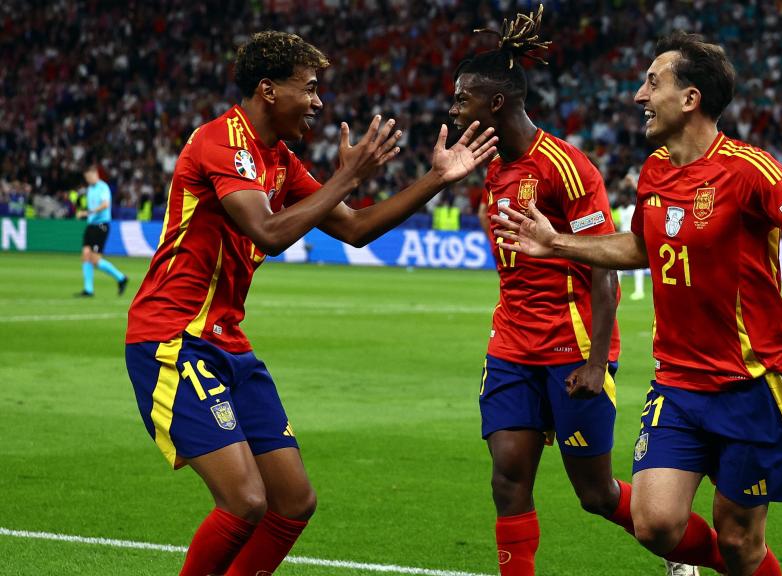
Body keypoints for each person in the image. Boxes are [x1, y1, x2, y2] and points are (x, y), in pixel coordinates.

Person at [491, 31, 782, 576]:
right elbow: (642, 245)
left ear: (690, 98)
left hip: (749, 384)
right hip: (677, 383)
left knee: (738, 544)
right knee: (655, 524)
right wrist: (556, 242)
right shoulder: (655, 169)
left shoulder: (753, 170)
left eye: (652, 83)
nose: (638, 96)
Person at [124, 31, 496, 576]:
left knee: (294, 502)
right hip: (171, 337)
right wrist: (347, 175)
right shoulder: (220, 142)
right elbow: (269, 233)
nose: (319, 102)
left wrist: (436, 178)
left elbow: (357, 228)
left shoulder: (279, 158)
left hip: (226, 339)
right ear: (269, 90)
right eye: (311, 88)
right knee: (245, 501)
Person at [448, 7, 697, 576]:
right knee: (508, 477)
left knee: (596, 493)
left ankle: (683, 553)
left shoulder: (567, 166)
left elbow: (604, 268)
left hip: (571, 346)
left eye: (463, 98)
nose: (454, 107)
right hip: (511, 345)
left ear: (495, 103)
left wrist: (595, 361)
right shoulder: (491, 166)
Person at [77, 165, 128, 297]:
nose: (88, 180)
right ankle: (88, 290)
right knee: (85, 255)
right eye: (86, 178)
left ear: (95, 174)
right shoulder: (89, 189)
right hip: (91, 225)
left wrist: (88, 212)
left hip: (101, 225)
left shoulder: (103, 187)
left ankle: (121, 278)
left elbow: (105, 204)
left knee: (95, 259)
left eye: (89, 177)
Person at [616, 198, 647, 300]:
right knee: (618, 268)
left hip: (632, 239)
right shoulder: (621, 209)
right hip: (623, 240)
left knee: (637, 268)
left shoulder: (632, 209)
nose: (623, 201)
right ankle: (617, 290)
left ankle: (639, 291)